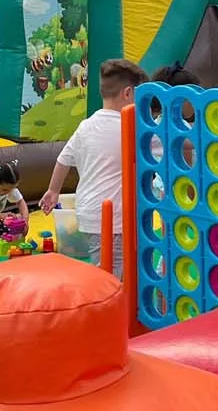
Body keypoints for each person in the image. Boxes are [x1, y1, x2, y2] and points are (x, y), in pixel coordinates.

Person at [39, 59, 148, 279]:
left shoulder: (86, 126)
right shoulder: (131, 126)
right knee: (112, 274)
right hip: (113, 216)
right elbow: (171, 143)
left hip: (89, 210)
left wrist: (53, 191)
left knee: (110, 266)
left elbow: (63, 160)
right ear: (128, 93)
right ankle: (108, 298)